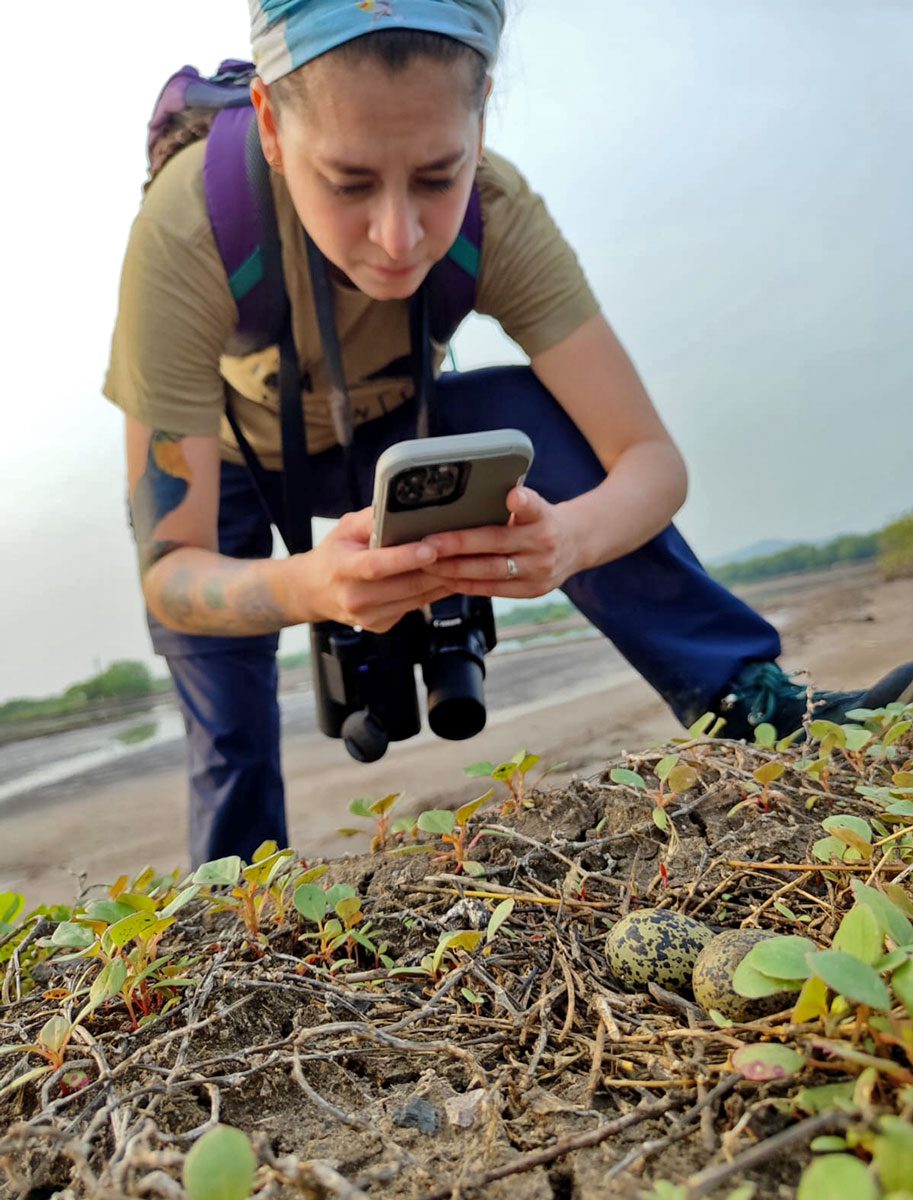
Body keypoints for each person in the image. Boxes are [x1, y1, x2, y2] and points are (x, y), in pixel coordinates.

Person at [104, 0, 913, 867]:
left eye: (435, 175)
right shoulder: (188, 235)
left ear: (481, 113)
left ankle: (750, 701)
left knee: (530, 417)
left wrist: (568, 540)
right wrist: (309, 585)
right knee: (226, 725)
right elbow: (173, 570)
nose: (398, 237)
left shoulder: (498, 212)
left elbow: (648, 460)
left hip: (395, 432)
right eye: (347, 183)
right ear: (269, 123)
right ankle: (234, 897)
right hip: (229, 466)